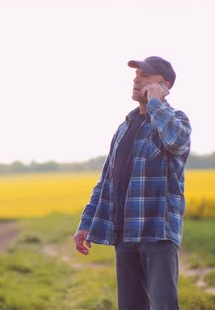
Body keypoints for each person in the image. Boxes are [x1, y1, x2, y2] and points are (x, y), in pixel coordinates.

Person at [73, 56, 191, 310]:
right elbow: (106, 181)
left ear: (165, 85)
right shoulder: (124, 128)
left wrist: (157, 104)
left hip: (157, 234)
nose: (137, 79)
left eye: (145, 75)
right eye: (136, 74)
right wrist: (86, 223)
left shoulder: (178, 120)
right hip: (124, 235)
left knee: (164, 306)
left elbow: (177, 142)